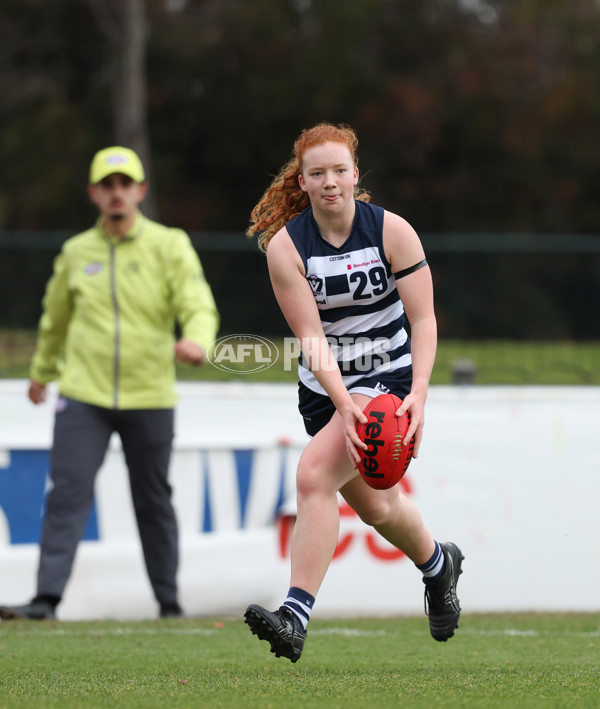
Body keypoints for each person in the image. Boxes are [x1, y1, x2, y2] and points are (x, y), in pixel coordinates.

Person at [243, 123, 464, 662]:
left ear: (356, 175)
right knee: (379, 508)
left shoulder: (393, 232)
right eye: (317, 173)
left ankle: (294, 616)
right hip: (326, 388)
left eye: (339, 170)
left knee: (313, 476)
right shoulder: (287, 248)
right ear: (303, 180)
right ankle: (439, 565)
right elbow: (311, 339)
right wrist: (342, 406)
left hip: (386, 376)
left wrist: (419, 394)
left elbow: (424, 319)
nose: (330, 182)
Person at [0, 146, 219, 621]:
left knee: (153, 499)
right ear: (94, 194)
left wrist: (198, 340)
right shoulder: (76, 252)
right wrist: (41, 373)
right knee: (67, 494)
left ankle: (168, 603)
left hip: (151, 394)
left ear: (141, 190)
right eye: (107, 185)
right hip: (83, 396)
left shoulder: (169, 244)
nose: (116, 193)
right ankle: (46, 600)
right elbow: (54, 319)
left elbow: (197, 301)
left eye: (125, 184)